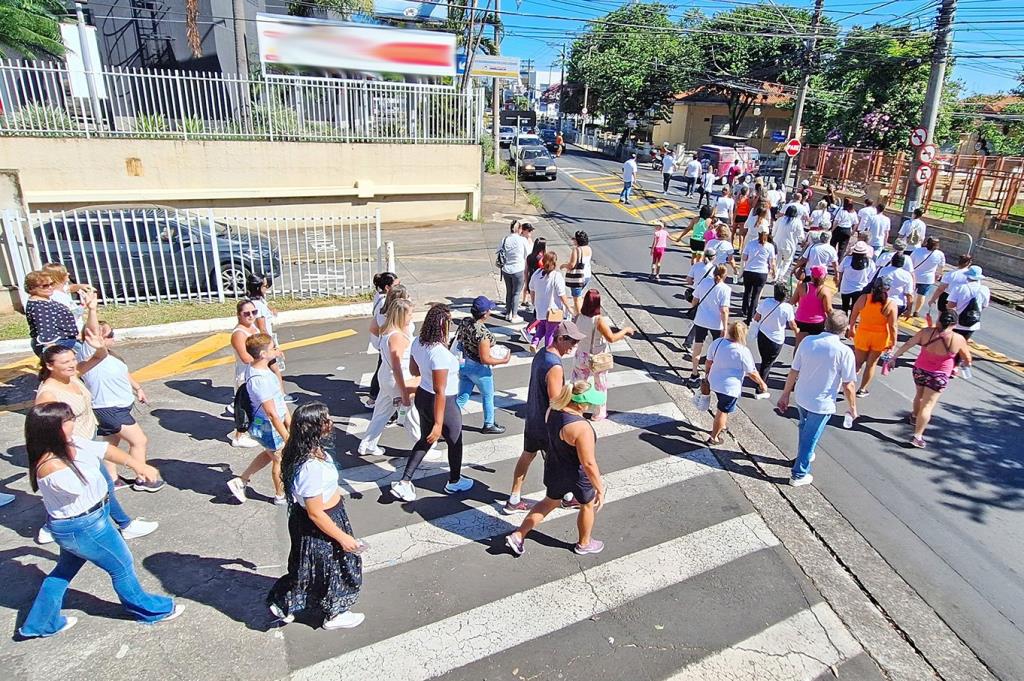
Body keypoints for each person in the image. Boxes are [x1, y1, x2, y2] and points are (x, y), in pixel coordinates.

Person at [18, 402, 181, 638]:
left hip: (84, 523)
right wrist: (90, 461)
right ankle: (149, 610)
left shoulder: (69, 443)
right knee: (121, 566)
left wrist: (137, 464)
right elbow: (85, 482)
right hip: (83, 526)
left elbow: (103, 451)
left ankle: (40, 623)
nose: (73, 422)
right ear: (50, 428)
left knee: (63, 572)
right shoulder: (51, 465)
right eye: (67, 420)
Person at [34, 342, 159, 545]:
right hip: (73, 448)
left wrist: (95, 332)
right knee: (103, 485)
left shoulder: (72, 376)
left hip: (87, 439)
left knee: (98, 487)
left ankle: (52, 525)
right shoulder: (48, 394)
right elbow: (45, 431)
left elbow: (99, 356)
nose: (72, 364)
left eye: (73, 359)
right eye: (65, 362)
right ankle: (125, 525)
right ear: (49, 366)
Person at [268, 402, 364, 630]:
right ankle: (335, 614)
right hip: (321, 521)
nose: (330, 423)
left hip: (318, 518)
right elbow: (315, 512)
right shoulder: (310, 466)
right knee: (336, 566)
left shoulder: (305, 451)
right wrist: (343, 538)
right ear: (314, 427)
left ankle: (287, 604)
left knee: (307, 566)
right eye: (326, 419)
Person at [505, 380, 607, 557]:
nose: (590, 406)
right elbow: (588, 463)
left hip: (555, 468)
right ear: (581, 404)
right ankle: (584, 543)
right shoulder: (581, 428)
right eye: (589, 402)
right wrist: (599, 488)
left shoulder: (552, 411)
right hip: (576, 474)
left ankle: (518, 535)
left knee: (548, 502)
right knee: (588, 505)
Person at [390, 304, 474, 502]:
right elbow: (441, 391)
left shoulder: (418, 342)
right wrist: (438, 424)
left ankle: (405, 481)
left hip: (422, 396)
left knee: (424, 440)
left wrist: (428, 370)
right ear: (443, 326)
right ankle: (454, 481)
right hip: (444, 402)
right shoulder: (441, 354)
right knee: (455, 442)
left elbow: (414, 371)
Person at [504, 321, 584, 515]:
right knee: (563, 461)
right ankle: (565, 497)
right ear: (560, 339)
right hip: (548, 423)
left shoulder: (541, 354)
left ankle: (514, 498)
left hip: (533, 417)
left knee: (528, 455)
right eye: (571, 341)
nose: (574, 346)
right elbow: (556, 400)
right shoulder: (555, 366)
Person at [77, 320, 164, 492]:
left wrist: (138, 388)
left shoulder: (110, 355)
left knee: (111, 442)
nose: (113, 337)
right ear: (95, 338)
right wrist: (92, 309)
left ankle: (112, 479)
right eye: (109, 335)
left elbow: (123, 372)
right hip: (109, 409)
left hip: (117, 407)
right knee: (139, 441)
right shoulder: (88, 354)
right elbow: (91, 331)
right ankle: (143, 478)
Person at [776, 311, 858, 487]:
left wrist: (785, 394)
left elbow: (793, 371)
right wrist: (852, 407)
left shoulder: (807, 342)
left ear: (826, 324)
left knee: (804, 429)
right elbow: (848, 385)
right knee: (811, 436)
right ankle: (799, 473)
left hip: (802, 395)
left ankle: (803, 455)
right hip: (822, 402)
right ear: (844, 330)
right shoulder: (844, 352)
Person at [892, 311, 972, 449]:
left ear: (939, 320)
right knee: (928, 405)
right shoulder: (958, 339)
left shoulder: (926, 332)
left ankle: (914, 416)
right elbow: (967, 359)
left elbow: (908, 344)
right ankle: (917, 436)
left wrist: (894, 357)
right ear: (954, 323)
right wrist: (960, 366)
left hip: (920, 370)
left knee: (919, 395)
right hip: (939, 375)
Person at [227, 334, 290, 505]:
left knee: (270, 454)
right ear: (263, 354)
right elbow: (271, 413)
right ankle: (280, 495)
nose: (276, 349)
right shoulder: (260, 380)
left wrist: (288, 419)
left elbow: (278, 401)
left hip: (268, 423)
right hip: (268, 426)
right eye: (273, 348)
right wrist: (286, 435)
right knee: (279, 458)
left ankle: (242, 480)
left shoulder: (257, 368)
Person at [358, 298, 421, 456]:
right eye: (410, 314)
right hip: (397, 379)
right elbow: (398, 367)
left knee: (381, 412)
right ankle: (423, 448)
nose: (412, 317)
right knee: (410, 414)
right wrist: (404, 393)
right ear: (401, 315)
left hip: (385, 376)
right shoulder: (397, 336)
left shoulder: (388, 330)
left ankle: (368, 444)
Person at [572, 290, 635, 420]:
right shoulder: (598, 320)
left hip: (581, 355)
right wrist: (625, 331)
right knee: (600, 385)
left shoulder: (578, 316)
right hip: (597, 357)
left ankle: (575, 407)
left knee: (578, 383)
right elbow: (611, 338)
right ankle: (598, 413)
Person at [455, 296, 512, 435]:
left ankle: (447, 419)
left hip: (464, 364)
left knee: (462, 396)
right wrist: (503, 361)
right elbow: (485, 359)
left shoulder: (465, 322)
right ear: (485, 313)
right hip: (479, 369)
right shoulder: (483, 335)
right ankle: (489, 424)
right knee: (488, 396)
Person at [705, 322, 769, 445]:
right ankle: (714, 437)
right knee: (722, 411)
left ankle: (721, 426)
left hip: (714, 380)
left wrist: (707, 374)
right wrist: (762, 383)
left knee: (721, 406)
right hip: (730, 387)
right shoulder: (743, 351)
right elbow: (752, 372)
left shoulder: (717, 343)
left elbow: (709, 361)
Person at [23, 271, 96, 358]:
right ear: (31, 288)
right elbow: (45, 331)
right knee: (87, 360)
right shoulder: (40, 306)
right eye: (45, 285)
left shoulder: (45, 300)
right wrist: (52, 353)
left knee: (88, 358)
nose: (50, 287)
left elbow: (62, 317)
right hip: (58, 343)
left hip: (66, 341)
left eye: (51, 284)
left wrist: (83, 306)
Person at [848, 277, 899, 397]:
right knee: (871, 364)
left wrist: (851, 328)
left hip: (863, 334)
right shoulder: (891, 304)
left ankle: (846, 383)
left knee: (857, 362)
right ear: (888, 289)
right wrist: (893, 341)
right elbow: (893, 326)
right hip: (880, 337)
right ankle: (862, 389)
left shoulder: (864, 298)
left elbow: (854, 314)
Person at [686, 265, 731, 387]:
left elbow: (695, 299)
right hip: (716, 323)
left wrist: (693, 310)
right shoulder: (725, 289)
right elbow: (724, 310)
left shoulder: (705, 282)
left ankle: (694, 373)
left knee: (697, 346)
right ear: (725, 275)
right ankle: (709, 375)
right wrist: (725, 327)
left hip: (701, 319)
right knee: (716, 350)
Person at [227, 299, 262, 448]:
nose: (251, 316)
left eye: (254, 312)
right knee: (245, 407)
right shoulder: (239, 334)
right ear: (239, 315)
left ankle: (256, 428)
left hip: (257, 370)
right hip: (245, 374)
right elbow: (245, 357)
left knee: (259, 404)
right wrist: (266, 356)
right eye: (246, 313)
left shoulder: (252, 327)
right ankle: (239, 436)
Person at [366, 272, 400, 407]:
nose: (399, 287)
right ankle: (374, 398)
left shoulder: (380, 296)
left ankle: (373, 397)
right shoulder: (384, 302)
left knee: (382, 366)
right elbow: (378, 325)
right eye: (396, 285)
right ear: (387, 287)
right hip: (384, 342)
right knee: (383, 368)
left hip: (381, 341)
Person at [752, 283, 797, 381]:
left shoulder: (766, 301)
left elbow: (756, 317)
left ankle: (761, 380)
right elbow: (792, 325)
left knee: (765, 360)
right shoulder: (787, 308)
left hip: (762, 335)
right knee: (767, 363)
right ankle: (760, 387)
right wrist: (797, 331)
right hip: (776, 340)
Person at [529, 251, 571, 351]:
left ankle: (534, 343)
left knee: (542, 327)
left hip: (540, 308)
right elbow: (561, 294)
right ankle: (548, 350)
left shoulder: (537, 273)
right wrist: (568, 307)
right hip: (553, 310)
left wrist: (533, 302)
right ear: (555, 263)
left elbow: (531, 289)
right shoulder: (556, 276)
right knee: (550, 332)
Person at [41, 263, 92, 332]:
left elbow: (70, 288)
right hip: (70, 333)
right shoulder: (58, 297)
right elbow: (70, 315)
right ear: (58, 277)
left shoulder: (59, 290)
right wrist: (85, 304)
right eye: (65, 273)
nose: (68, 273)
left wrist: (81, 286)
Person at [791, 266, 833, 349]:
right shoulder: (825, 291)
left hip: (801, 320)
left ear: (811, 276)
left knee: (799, 345)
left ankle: (796, 361)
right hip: (817, 323)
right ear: (825, 277)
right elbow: (828, 310)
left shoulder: (801, 286)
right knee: (814, 346)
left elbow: (792, 301)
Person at [496, 220, 530, 323]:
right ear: (519, 229)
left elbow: (499, 251)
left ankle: (508, 313)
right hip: (518, 269)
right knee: (516, 293)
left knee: (509, 292)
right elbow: (527, 255)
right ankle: (514, 315)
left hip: (506, 269)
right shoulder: (522, 240)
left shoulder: (505, 239)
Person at [740, 228, 776, 324]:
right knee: (755, 296)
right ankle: (750, 317)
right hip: (761, 273)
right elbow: (772, 262)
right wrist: (774, 271)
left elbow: (744, 257)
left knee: (747, 291)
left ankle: (744, 309)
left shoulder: (751, 243)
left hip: (749, 271)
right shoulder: (770, 246)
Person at [946, 265, 990, 341]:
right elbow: (984, 306)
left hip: (956, 322)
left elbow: (951, 305)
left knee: (950, 344)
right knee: (962, 344)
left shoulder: (959, 288)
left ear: (967, 276)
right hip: (972, 323)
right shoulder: (985, 289)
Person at [909, 237, 946, 317]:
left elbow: (910, 262)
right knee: (922, 295)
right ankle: (916, 311)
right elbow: (941, 267)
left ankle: (908, 309)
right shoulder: (940, 254)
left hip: (914, 276)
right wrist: (938, 275)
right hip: (928, 278)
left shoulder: (918, 250)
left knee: (911, 293)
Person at [837, 242, 877, 314]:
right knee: (855, 309)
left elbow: (840, 271)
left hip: (846, 288)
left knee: (844, 307)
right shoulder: (870, 263)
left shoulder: (847, 259)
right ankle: (851, 323)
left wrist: (839, 282)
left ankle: (843, 322)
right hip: (860, 289)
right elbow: (871, 277)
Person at [563, 231, 593, 316]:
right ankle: (579, 312)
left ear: (577, 240)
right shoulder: (588, 248)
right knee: (579, 296)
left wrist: (564, 265)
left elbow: (571, 265)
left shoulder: (576, 250)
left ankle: (578, 317)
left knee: (576, 299)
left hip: (578, 277)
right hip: (587, 275)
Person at [877, 252, 915, 317]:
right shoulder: (907, 275)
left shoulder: (884, 270)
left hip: (883, 301)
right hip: (898, 304)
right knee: (892, 323)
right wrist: (909, 310)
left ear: (892, 261)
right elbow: (909, 294)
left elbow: (878, 285)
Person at [772, 204, 805, 278]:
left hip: (777, 243)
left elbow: (774, 230)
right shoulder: (797, 222)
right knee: (787, 261)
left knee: (777, 261)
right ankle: (781, 276)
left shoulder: (780, 219)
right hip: (789, 245)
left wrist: (773, 236)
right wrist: (802, 241)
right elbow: (801, 236)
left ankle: (775, 276)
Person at [520, 230, 544, 314]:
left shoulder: (529, 257)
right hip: (540, 280)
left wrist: (526, 282)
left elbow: (526, 271)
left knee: (534, 297)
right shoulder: (542, 258)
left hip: (531, 278)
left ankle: (535, 310)